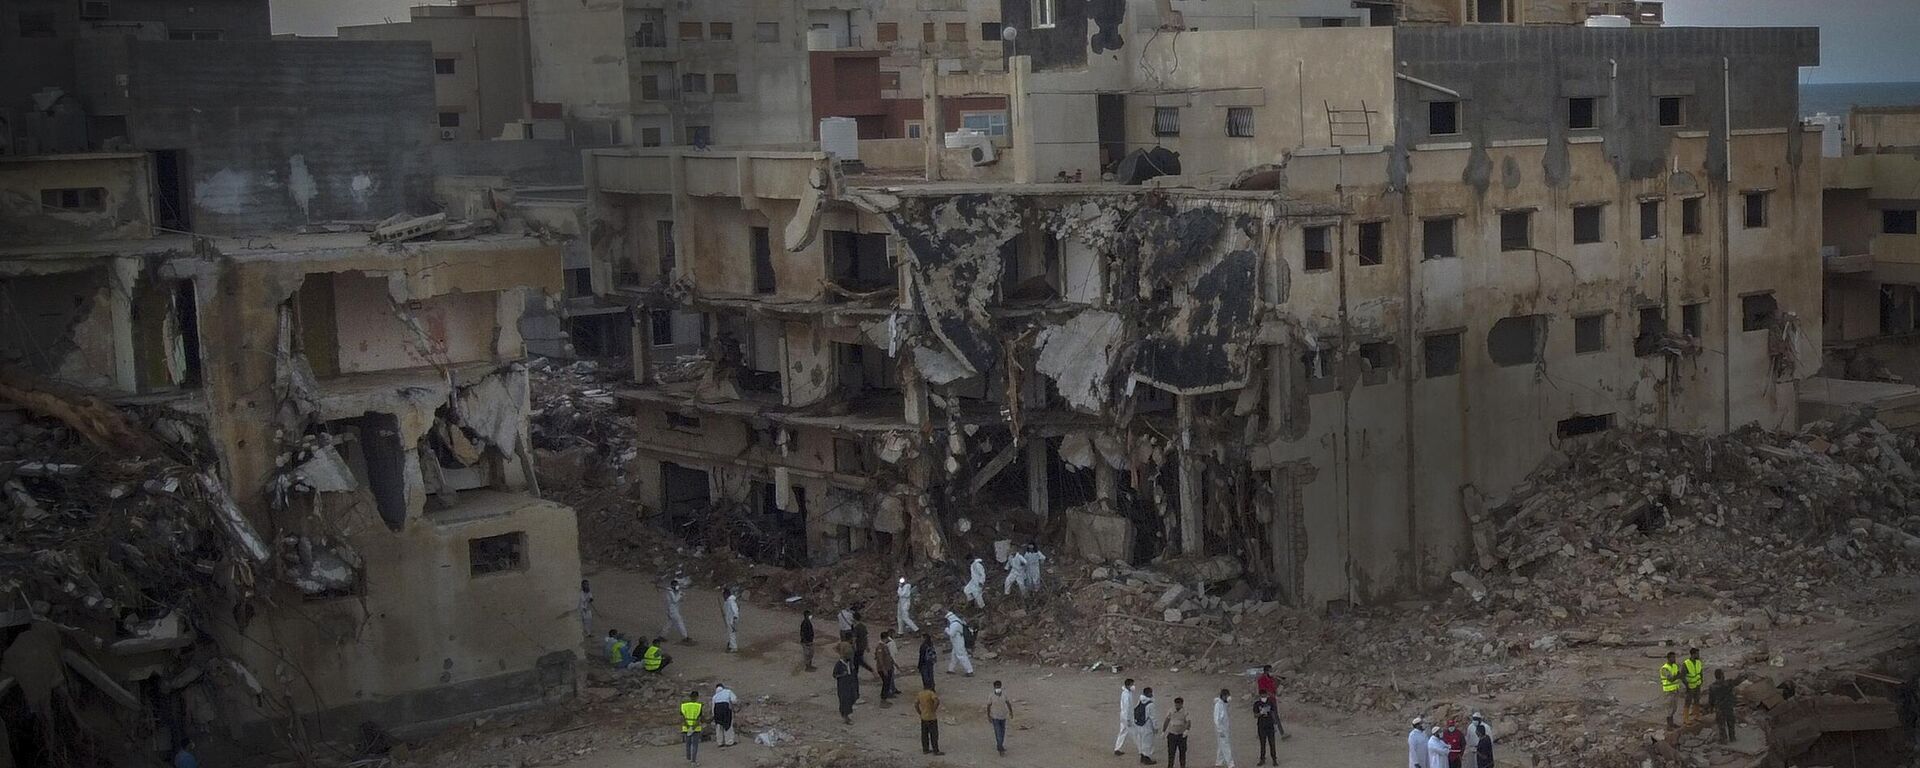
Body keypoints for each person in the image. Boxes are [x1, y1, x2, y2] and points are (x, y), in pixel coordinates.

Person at [1708, 669, 1743, 743]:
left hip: (1719, 709)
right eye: (1723, 674)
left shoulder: (1712, 687)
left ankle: (1723, 740)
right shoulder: (1727, 683)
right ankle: (1732, 738)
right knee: (1731, 723)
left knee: (1721, 725)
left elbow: (1711, 699)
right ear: (1721, 676)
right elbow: (1736, 682)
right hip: (1728, 707)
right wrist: (1742, 675)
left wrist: (1711, 708)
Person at [916, 681, 945, 755]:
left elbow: (916, 704)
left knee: (924, 734)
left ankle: (925, 749)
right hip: (931, 717)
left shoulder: (920, 694)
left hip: (924, 717)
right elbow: (936, 701)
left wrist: (920, 712)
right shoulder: (931, 693)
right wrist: (934, 709)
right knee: (934, 734)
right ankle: (936, 750)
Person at [1163, 696, 1192, 768]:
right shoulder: (1171, 711)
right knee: (1171, 753)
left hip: (1181, 735)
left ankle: (1182, 766)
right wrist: (1163, 731)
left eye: (1179, 704)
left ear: (1182, 704)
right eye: (1176, 704)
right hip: (1172, 735)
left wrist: (1187, 730)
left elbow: (1188, 722)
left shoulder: (1185, 712)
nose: (1177, 706)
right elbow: (1167, 720)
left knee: (1182, 753)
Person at [663, 572, 692, 644]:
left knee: (669, 624)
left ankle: (661, 636)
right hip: (672, 611)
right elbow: (675, 600)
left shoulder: (675, 591)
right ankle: (685, 637)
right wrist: (679, 594)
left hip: (675, 610)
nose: (677, 586)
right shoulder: (670, 592)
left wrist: (682, 595)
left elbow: (681, 601)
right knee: (680, 622)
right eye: (676, 585)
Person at [1134, 686, 1160, 765]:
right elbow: (1153, 717)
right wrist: (1156, 727)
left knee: (1141, 741)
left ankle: (1142, 756)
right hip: (1147, 725)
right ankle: (1147, 758)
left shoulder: (1140, 700)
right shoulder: (1150, 704)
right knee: (1148, 742)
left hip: (1139, 724)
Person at [833, 650, 860, 724]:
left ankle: (847, 713)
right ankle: (845, 716)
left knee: (853, 697)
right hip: (843, 685)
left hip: (850, 684)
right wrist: (842, 674)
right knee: (844, 700)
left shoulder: (849, 663)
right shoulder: (839, 664)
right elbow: (835, 675)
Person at [987, 680, 1013, 755]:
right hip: (995, 717)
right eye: (996, 686)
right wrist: (989, 716)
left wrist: (1011, 712)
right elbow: (988, 706)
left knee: (1002, 732)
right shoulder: (991, 696)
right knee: (998, 732)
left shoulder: (1004, 694)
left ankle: (999, 745)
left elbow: (1008, 703)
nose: (998, 688)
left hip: (1003, 716)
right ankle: (1000, 748)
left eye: (999, 686)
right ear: (994, 687)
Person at [943, 611, 973, 676]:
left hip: (958, 642)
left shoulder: (955, 624)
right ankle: (951, 669)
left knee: (962, 656)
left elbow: (951, 634)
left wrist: (946, 629)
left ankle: (969, 671)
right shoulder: (957, 622)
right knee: (954, 656)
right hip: (956, 642)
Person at [679, 690, 705, 764]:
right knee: (695, 745)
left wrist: (688, 726)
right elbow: (699, 719)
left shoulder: (684, 705)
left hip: (686, 727)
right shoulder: (699, 706)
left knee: (688, 743)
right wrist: (693, 727)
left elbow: (683, 717)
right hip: (696, 728)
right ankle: (693, 761)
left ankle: (688, 757)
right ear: (697, 697)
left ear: (690, 697)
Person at [1252, 694, 1278, 766]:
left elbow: (1273, 713)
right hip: (1261, 726)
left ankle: (1274, 759)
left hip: (1270, 726)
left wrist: (1275, 724)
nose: (1264, 698)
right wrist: (1261, 713)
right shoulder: (1257, 704)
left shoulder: (1270, 702)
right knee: (1262, 744)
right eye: (1263, 696)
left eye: (1265, 696)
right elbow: (1255, 715)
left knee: (1272, 743)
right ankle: (1262, 759)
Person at [1115, 678, 1139, 755]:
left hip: (1124, 716)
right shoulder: (1126, 695)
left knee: (1123, 731)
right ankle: (1142, 750)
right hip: (1127, 717)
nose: (1133, 686)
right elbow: (1127, 708)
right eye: (1132, 684)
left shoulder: (1127, 693)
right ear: (1128, 685)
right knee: (1135, 733)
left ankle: (1117, 748)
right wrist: (1128, 719)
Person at [1660, 652, 1684, 727]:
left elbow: (1678, 675)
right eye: (1672, 657)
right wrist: (1677, 676)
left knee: (1674, 708)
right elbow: (1670, 679)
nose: (1674, 659)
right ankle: (1669, 725)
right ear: (1668, 658)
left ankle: (1672, 723)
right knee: (1669, 708)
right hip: (1668, 691)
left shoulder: (1674, 666)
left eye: (1674, 657)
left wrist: (1677, 676)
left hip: (1675, 690)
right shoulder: (1665, 668)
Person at [875, 630, 900, 703]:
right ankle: (884, 697)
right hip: (884, 668)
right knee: (886, 682)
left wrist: (895, 664)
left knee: (887, 682)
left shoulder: (884, 646)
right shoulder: (880, 647)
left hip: (888, 667)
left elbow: (889, 657)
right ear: (885, 638)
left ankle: (885, 696)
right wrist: (884, 669)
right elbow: (880, 659)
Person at [1213, 689, 1235, 768]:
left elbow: (1227, 712)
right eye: (1227, 696)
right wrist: (1219, 730)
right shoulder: (1218, 705)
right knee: (1226, 745)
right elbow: (1216, 719)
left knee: (1221, 745)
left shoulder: (1224, 704)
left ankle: (1219, 762)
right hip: (1221, 729)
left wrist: (1228, 703)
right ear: (1223, 696)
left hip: (1225, 729)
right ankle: (1230, 763)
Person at [712, 683, 739, 747]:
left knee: (719, 726)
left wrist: (713, 715)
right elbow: (734, 700)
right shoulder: (728, 691)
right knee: (728, 725)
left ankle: (720, 742)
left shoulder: (715, 696)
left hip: (717, 710)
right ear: (722, 687)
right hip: (725, 708)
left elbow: (713, 707)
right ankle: (729, 741)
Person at [1683, 648, 1706, 717]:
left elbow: (1700, 672)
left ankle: (1697, 715)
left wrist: (1701, 680)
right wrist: (1687, 685)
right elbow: (1682, 676)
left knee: (1697, 700)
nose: (1698, 655)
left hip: (1698, 685)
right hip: (1690, 686)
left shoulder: (1698, 662)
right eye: (1697, 654)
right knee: (1688, 702)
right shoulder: (1686, 664)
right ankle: (1686, 718)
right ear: (1693, 654)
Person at [722, 587, 741, 653]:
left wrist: (734, 619)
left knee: (731, 634)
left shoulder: (731, 601)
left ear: (726, 594)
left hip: (732, 620)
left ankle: (733, 647)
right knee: (730, 633)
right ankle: (731, 644)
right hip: (730, 620)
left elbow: (735, 610)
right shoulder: (728, 601)